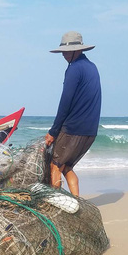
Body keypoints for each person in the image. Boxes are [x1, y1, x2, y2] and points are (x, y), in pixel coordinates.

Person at [44, 31, 102, 197]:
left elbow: (65, 103)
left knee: (55, 166)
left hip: (73, 129)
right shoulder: (91, 67)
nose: (64, 55)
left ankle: (53, 204)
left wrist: (53, 131)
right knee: (66, 166)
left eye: (67, 51)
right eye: (63, 52)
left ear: (78, 50)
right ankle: (76, 201)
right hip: (90, 130)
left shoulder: (74, 69)